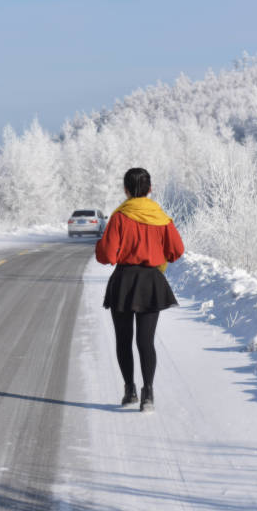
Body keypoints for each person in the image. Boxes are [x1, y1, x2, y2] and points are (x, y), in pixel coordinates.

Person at [95, 167, 184, 412]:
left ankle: (129, 391)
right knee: (146, 341)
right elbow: (176, 250)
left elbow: (107, 255)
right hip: (151, 283)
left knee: (123, 341)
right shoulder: (161, 218)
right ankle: (148, 395)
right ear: (150, 189)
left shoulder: (120, 217)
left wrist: (103, 247)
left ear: (126, 190)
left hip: (124, 282)